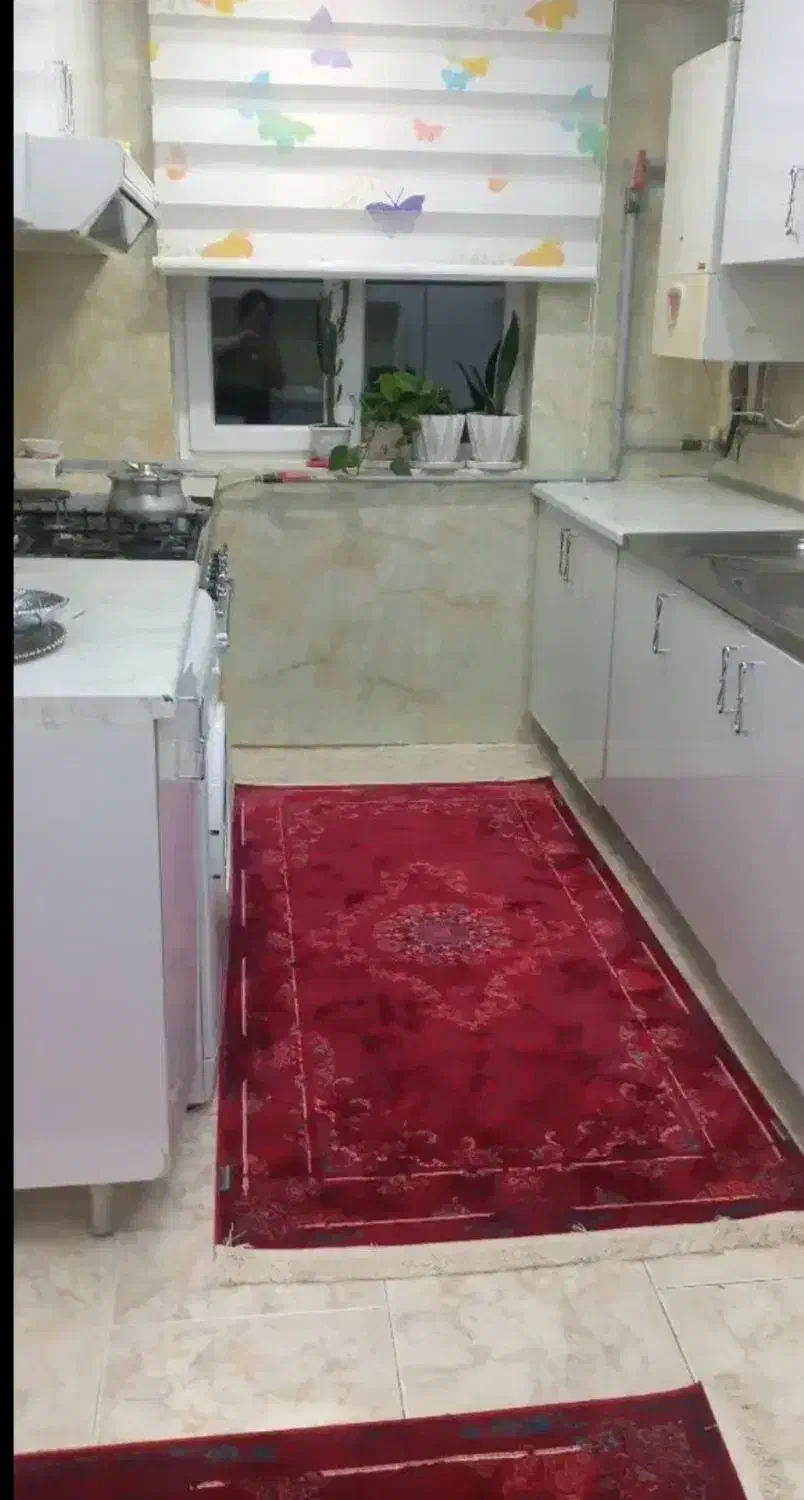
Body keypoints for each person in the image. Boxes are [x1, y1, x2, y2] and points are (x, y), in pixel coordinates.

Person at [212, 289, 286, 424]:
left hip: (258, 403)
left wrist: (268, 355)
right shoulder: (230, 337)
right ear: (244, 315)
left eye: (266, 315)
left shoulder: (268, 345)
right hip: (228, 400)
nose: (262, 320)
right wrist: (238, 340)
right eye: (258, 314)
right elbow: (207, 353)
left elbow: (279, 384)